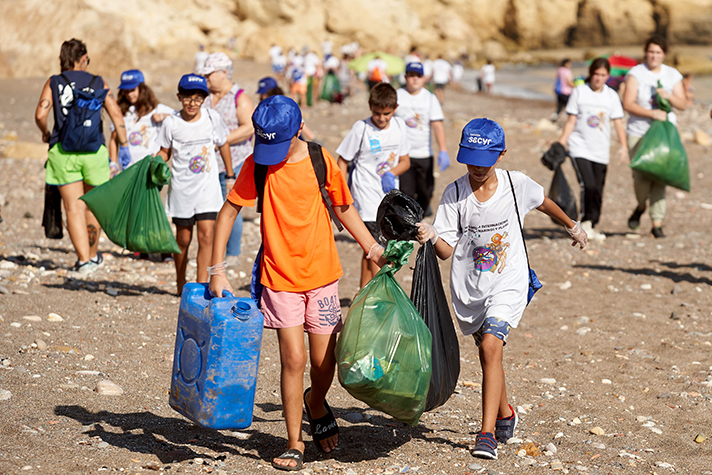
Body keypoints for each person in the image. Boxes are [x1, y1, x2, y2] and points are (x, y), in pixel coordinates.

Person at [208, 95, 386, 471]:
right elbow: (228, 213)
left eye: (279, 142)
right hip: (278, 277)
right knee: (294, 358)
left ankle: (316, 402)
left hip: (321, 276)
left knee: (325, 364)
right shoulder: (258, 163)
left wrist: (370, 246)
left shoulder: (322, 161)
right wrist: (217, 269)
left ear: (299, 128)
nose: (271, 152)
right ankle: (294, 441)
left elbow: (343, 206)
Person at [417, 118, 588, 460]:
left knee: (491, 345)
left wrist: (572, 226)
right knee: (489, 353)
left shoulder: (516, 184)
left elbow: (544, 202)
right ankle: (507, 411)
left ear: (501, 155)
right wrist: (432, 233)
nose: (477, 168)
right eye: (471, 160)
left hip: (509, 280)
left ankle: (487, 434)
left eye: (484, 161)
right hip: (471, 288)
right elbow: (447, 251)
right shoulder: (454, 194)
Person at [34, 38, 129, 274]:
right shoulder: (98, 81)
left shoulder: (54, 81)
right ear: (84, 58)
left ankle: (83, 261)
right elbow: (116, 115)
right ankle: (94, 255)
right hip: (94, 151)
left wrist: (46, 134)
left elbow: (40, 114)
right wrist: (124, 146)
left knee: (73, 208)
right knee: (93, 206)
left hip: (64, 152)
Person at [156, 74, 233, 295]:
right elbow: (164, 151)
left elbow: (224, 144)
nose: (193, 103)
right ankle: (181, 282)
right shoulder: (171, 123)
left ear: (204, 100)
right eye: (188, 97)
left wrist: (229, 175)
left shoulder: (212, 118)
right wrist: (151, 165)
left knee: (207, 235)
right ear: (179, 97)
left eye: (198, 98)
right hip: (181, 189)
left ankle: (199, 288)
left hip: (207, 188)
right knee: (183, 238)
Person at [336, 83, 410, 287]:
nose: (382, 118)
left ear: (395, 108)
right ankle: (378, 298)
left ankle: (363, 295)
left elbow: (405, 161)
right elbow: (342, 160)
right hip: (365, 200)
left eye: (387, 113)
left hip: (388, 201)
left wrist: (391, 173)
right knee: (379, 251)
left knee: (369, 250)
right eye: (377, 113)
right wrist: (341, 192)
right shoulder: (362, 129)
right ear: (370, 108)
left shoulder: (400, 126)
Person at [557, 58, 628, 241]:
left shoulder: (611, 95)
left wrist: (624, 147)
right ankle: (585, 221)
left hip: (601, 150)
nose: (599, 78)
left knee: (598, 188)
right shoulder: (580, 92)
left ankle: (593, 224)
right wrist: (562, 141)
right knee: (587, 185)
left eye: (603, 75)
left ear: (608, 76)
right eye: (596, 74)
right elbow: (571, 120)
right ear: (591, 73)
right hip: (579, 146)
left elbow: (618, 122)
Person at [622, 35, 686, 239]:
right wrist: (652, 113)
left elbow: (683, 104)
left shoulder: (672, 74)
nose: (654, 56)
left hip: (666, 133)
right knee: (640, 175)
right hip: (639, 132)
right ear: (645, 52)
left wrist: (669, 97)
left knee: (660, 177)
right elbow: (628, 103)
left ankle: (657, 223)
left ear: (664, 54)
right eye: (651, 51)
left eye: (658, 52)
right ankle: (641, 205)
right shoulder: (636, 73)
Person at [200, 52, 256, 265]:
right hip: (210, 162)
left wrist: (220, 140)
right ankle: (216, 250)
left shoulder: (239, 97)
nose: (206, 78)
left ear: (224, 73)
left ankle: (232, 252)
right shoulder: (205, 96)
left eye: (209, 74)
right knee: (212, 206)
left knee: (232, 204)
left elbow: (248, 127)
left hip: (236, 159)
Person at [396, 62, 450, 216]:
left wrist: (443, 150)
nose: (414, 79)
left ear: (423, 78)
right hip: (403, 154)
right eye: (411, 75)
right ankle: (409, 224)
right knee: (406, 192)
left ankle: (418, 215)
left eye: (418, 76)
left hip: (424, 154)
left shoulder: (430, 98)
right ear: (406, 77)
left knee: (426, 192)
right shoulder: (397, 95)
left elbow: (437, 125)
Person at [110, 69, 174, 170]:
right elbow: (114, 139)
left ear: (142, 89)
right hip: (128, 169)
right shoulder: (121, 112)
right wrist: (113, 163)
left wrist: (163, 116)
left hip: (149, 168)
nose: (129, 94)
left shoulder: (157, 109)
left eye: (132, 90)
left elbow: (181, 117)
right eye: (126, 91)